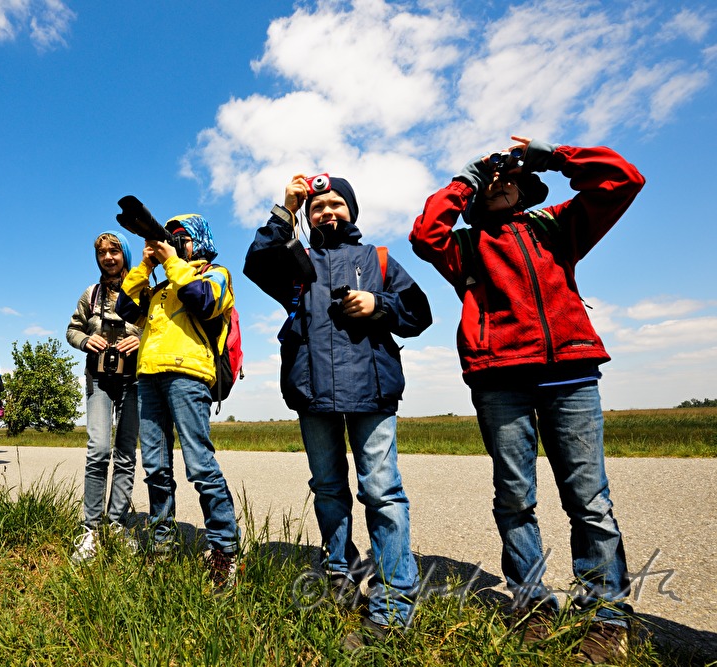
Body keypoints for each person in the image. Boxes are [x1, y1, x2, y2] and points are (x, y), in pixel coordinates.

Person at [408, 136, 645, 663]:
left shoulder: (555, 225)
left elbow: (623, 181)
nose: (499, 182)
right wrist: (464, 180)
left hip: (571, 374)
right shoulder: (464, 246)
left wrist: (556, 156)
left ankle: (605, 615)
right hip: (499, 378)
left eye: (508, 176)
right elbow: (424, 234)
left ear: (524, 186)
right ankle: (532, 603)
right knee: (515, 498)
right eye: (488, 181)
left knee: (589, 499)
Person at [244, 174, 433, 645]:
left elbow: (419, 313)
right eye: (317, 207)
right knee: (328, 489)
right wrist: (284, 209)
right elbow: (256, 263)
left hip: (372, 391)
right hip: (313, 391)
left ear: (352, 210)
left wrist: (380, 304)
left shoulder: (380, 259)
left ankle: (394, 600)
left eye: (336, 205)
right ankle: (339, 573)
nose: (327, 212)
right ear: (307, 217)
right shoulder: (296, 260)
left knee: (382, 492)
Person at [116, 213, 240, 589]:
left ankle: (224, 549)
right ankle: (161, 542)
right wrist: (145, 264)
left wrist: (172, 262)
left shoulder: (214, 274)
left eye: (180, 238)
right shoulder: (159, 287)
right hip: (149, 377)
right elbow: (124, 307)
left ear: (197, 241)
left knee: (200, 465)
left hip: (189, 377)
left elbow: (203, 303)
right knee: (155, 467)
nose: (172, 243)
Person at [66, 230, 142, 563]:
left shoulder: (144, 290)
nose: (108, 257)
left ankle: (117, 525)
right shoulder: (91, 294)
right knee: (98, 451)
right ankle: (91, 530)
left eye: (114, 251)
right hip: (98, 379)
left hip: (135, 379)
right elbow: (72, 329)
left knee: (125, 455)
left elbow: (160, 328)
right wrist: (86, 341)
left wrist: (142, 340)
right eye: (102, 253)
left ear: (125, 254)